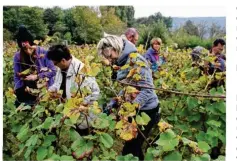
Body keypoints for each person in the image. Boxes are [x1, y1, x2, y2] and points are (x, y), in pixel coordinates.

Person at [97, 34, 160, 160]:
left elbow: (147, 91)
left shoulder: (136, 61)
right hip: (135, 109)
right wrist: (115, 101)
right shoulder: (123, 61)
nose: (109, 60)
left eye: (109, 56)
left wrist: (129, 109)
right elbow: (129, 87)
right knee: (133, 146)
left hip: (147, 110)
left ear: (116, 48)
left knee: (130, 149)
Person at [47, 44, 100, 135]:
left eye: (55, 63)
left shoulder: (81, 71)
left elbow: (91, 95)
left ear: (63, 60)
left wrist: (73, 110)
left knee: (85, 134)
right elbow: (58, 83)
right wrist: (52, 89)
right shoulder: (62, 68)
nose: (55, 66)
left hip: (84, 113)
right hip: (72, 110)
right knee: (77, 133)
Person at [13, 25, 56, 107]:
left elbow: (53, 71)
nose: (28, 51)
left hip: (45, 90)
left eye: (30, 48)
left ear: (33, 45)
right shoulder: (17, 56)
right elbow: (17, 76)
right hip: (28, 91)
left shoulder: (43, 52)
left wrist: (37, 76)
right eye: (25, 49)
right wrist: (18, 90)